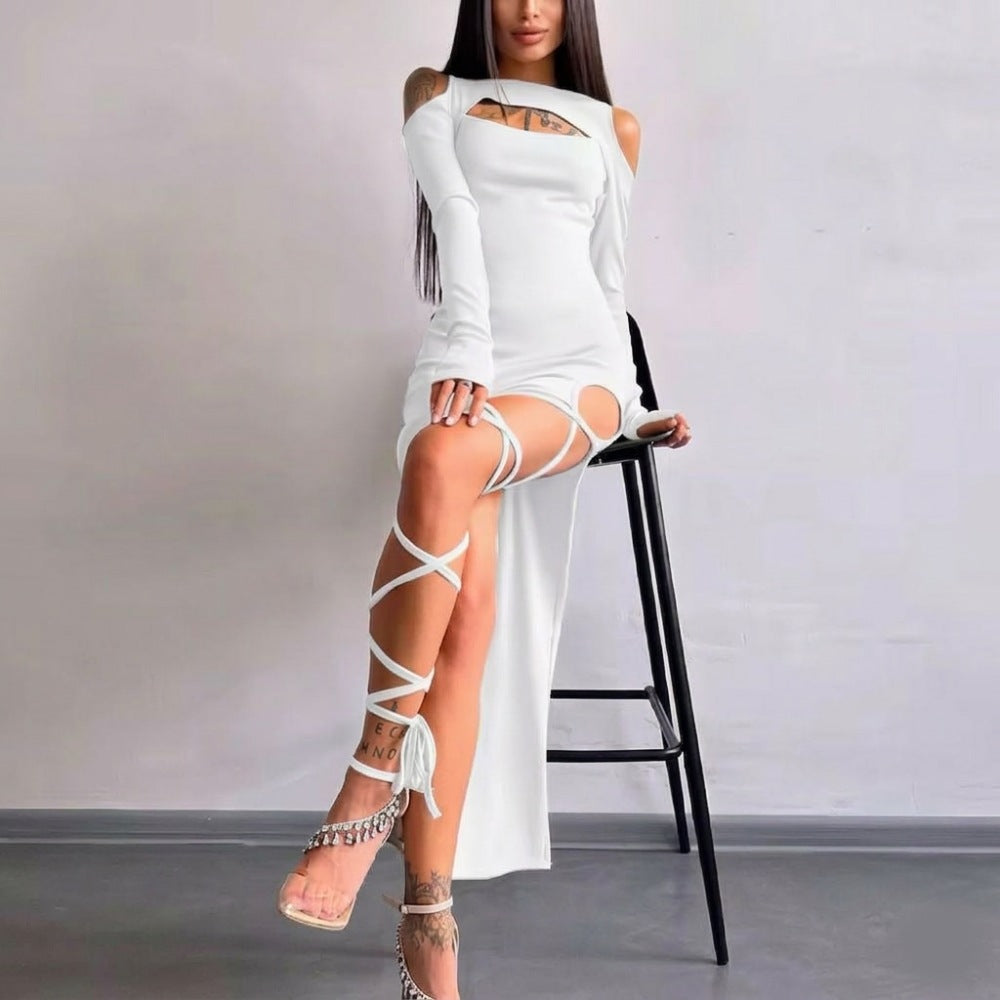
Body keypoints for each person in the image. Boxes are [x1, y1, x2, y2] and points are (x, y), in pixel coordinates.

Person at [277, 2, 692, 997]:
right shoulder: (438, 94)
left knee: (440, 457)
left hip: (576, 378)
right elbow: (455, 218)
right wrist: (466, 346)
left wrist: (635, 409)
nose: (530, 7)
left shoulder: (613, 125)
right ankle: (429, 921)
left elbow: (608, 276)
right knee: (463, 625)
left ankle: (370, 777)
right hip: (464, 365)